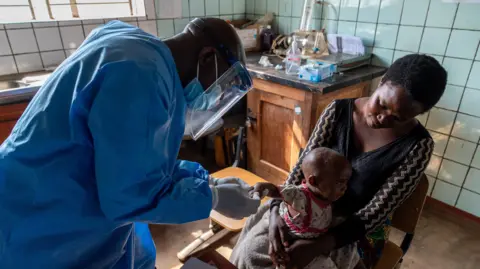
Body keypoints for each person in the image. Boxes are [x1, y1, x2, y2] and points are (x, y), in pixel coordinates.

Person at [0, 18, 260, 268]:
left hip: (50, 193)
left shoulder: (132, 45)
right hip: (39, 218)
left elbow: (136, 162)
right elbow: (131, 196)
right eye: (220, 86)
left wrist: (207, 181)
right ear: (207, 57)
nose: (215, 100)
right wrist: (211, 199)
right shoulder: (142, 74)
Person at [230, 54, 447, 269]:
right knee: (251, 254)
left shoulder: (418, 147)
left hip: (353, 229)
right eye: (382, 104)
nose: (384, 118)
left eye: (399, 117)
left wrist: (316, 247)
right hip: (301, 207)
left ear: (419, 113)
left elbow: (376, 212)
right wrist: (276, 213)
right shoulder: (337, 112)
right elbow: (299, 173)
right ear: (381, 82)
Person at [250, 147, 355, 269]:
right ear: (314, 181)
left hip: (315, 236)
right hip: (292, 238)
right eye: (339, 183)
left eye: (346, 182)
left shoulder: (327, 196)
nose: (345, 188)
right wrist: (262, 187)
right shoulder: (299, 196)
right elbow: (277, 191)